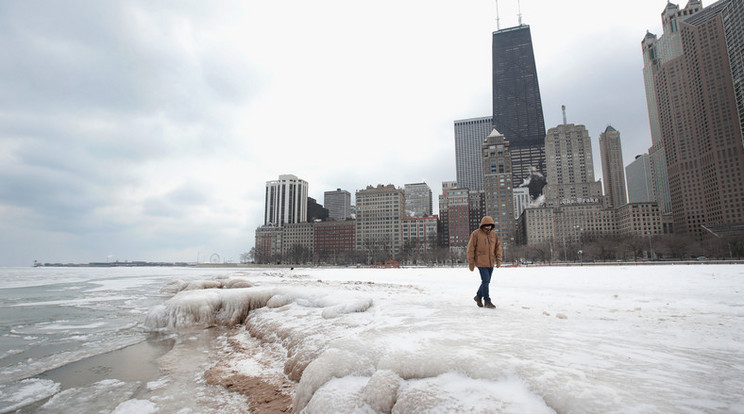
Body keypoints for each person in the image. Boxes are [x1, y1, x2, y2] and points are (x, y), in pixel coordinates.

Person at [467, 216, 502, 309]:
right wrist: (471, 262)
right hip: (481, 262)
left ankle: (478, 296)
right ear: (482, 225)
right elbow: (470, 249)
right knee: (486, 280)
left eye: (490, 225)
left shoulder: (494, 234)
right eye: (486, 225)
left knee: (486, 281)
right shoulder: (476, 234)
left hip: (491, 262)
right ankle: (487, 301)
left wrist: (499, 259)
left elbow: (498, 247)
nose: (488, 227)